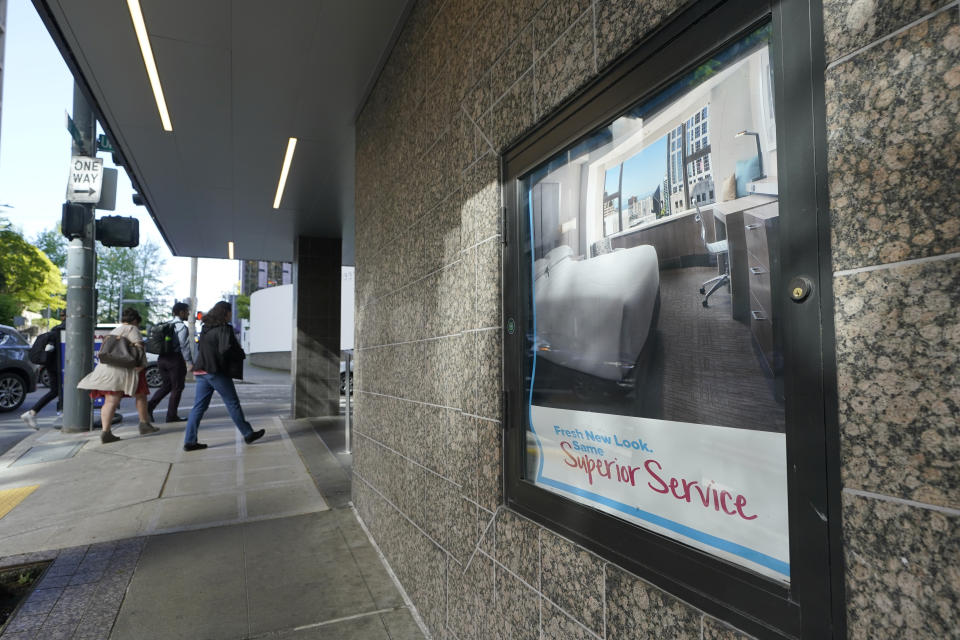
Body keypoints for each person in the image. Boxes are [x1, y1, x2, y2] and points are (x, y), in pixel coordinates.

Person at [182, 301, 264, 451]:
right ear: (225, 312)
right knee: (232, 403)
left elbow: (202, 348)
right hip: (215, 371)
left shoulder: (206, 327)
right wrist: (239, 353)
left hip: (201, 371)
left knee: (198, 407)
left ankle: (190, 441)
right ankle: (248, 433)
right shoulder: (224, 328)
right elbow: (225, 349)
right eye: (230, 312)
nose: (231, 315)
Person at [76, 307, 160, 443]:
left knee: (110, 401)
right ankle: (144, 424)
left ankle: (106, 431)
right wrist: (141, 365)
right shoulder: (132, 329)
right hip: (124, 370)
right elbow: (139, 349)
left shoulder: (115, 331)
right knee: (141, 395)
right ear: (134, 321)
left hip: (107, 369)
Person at [147, 302, 193, 423]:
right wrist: (189, 361)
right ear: (182, 312)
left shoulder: (167, 324)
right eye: (187, 311)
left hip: (162, 359)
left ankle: (149, 407)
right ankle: (171, 415)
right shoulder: (181, 327)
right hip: (174, 360)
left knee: (167, 386)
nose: (188, 314)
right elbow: (184, 346)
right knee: (177, 387)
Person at [20, 311, 66, 429]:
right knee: (61, 390)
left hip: (52, 366)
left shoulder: (55, 329)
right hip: (61, 366)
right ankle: (61, 413)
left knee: (56, 390)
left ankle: (33, 413)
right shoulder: (65, 329)